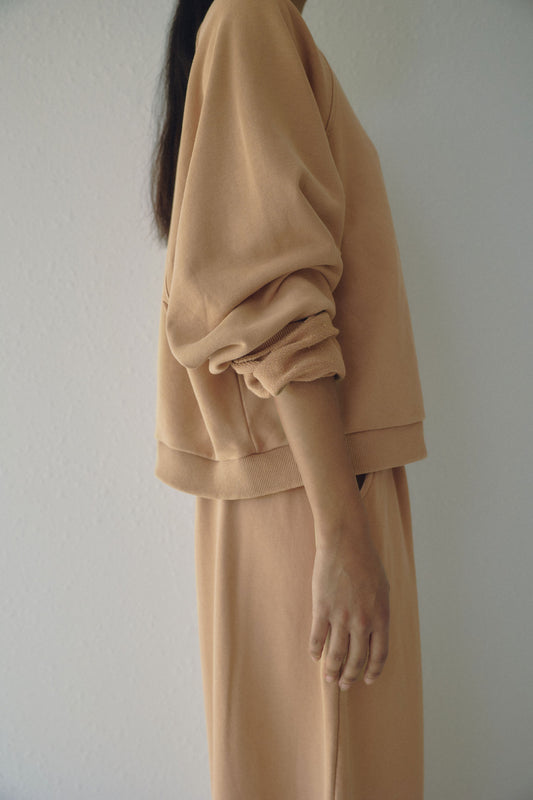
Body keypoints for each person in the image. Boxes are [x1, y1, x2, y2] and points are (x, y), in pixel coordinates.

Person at [150, 0, 428, 796]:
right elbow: (270, 293)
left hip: (310, 479)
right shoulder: (250, 20)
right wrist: (340, 535)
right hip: (312, 488)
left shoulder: (253, 24)